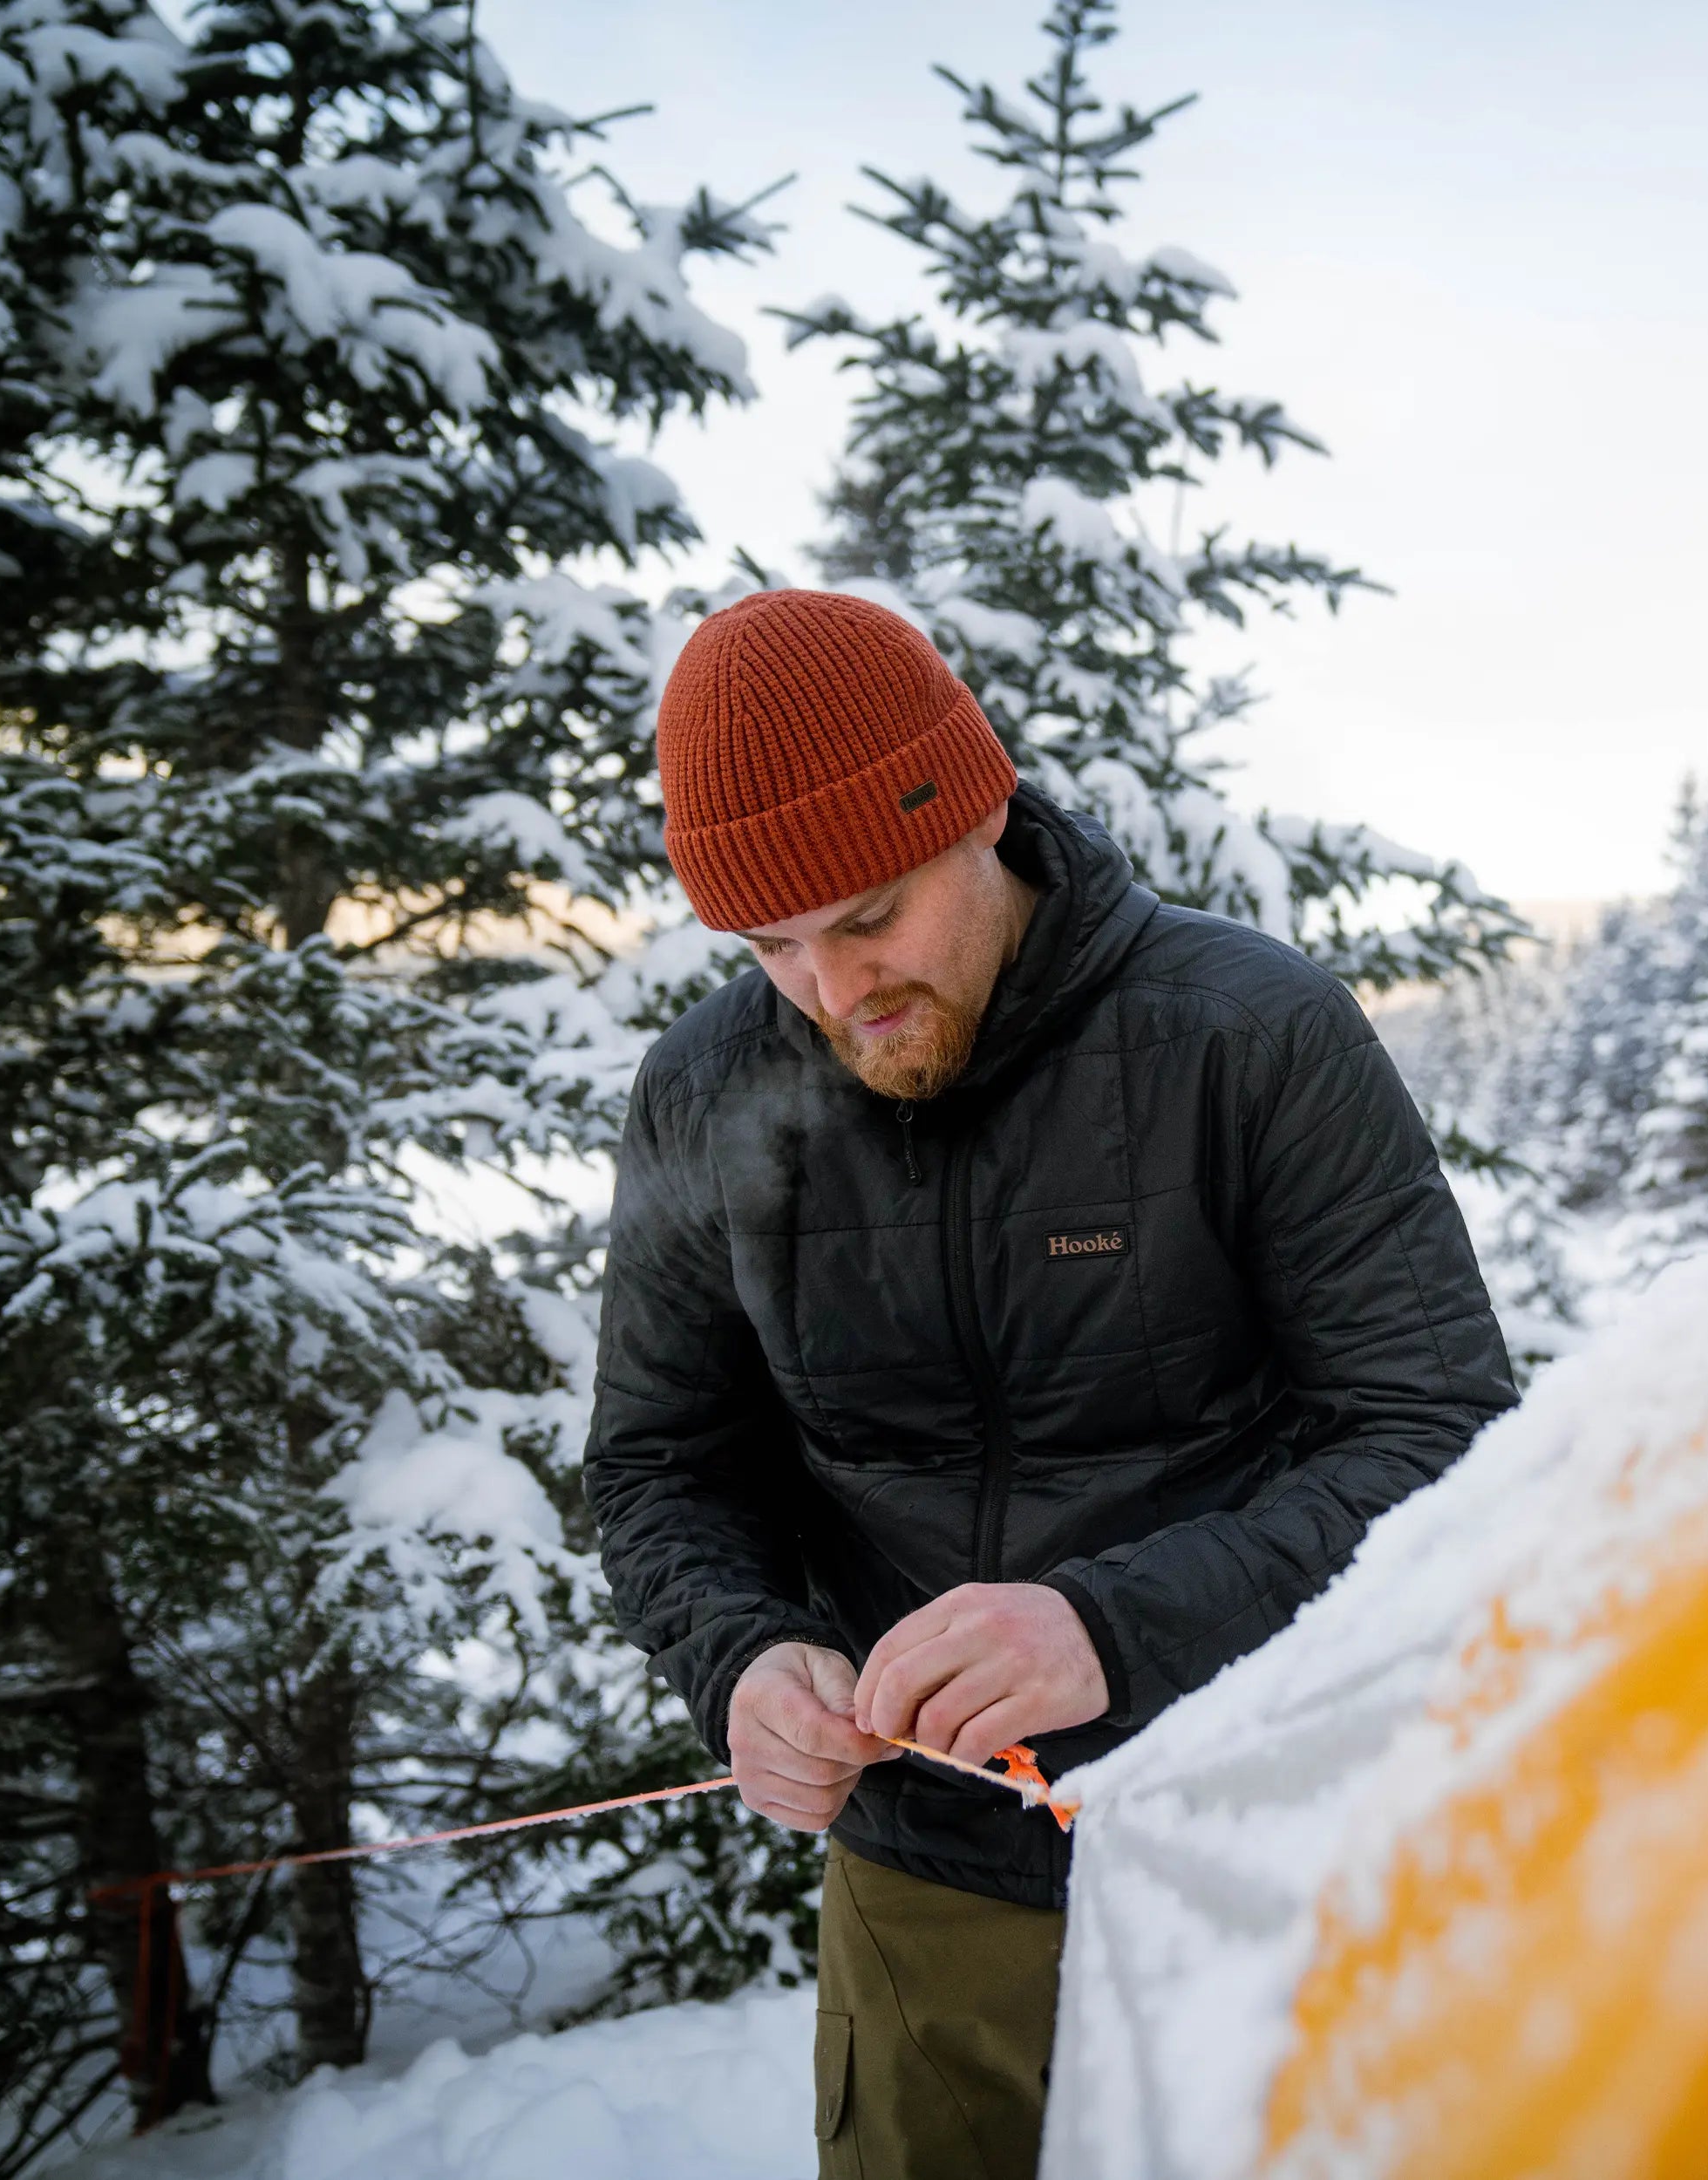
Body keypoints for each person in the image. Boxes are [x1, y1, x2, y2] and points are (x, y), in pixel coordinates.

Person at [582, 589, 1516, 2179]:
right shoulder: (706, 1090)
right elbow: (661, 1464)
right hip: (927, 1887)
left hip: (1257, 1847)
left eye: (869, 916)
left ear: (979, 815)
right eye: (769, 946)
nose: (829, 989)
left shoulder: (1246, 1034)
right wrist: (741, 1657)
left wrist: (1112, 1623)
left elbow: (1444, 1441)